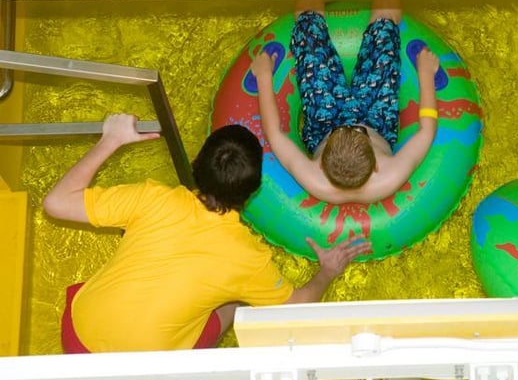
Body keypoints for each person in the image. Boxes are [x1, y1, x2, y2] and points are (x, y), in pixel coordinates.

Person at [43, 113, 371, 353]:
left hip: (77, 339)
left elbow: (56, 203)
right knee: (238, 303)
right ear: (254, 190)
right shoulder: (247, 256)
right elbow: (295, 308)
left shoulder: (152, 198)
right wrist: (328, 270)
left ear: (197, 162)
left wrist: (110, 140)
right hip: (147, 372)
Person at [251, 0, 440, 204]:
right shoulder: (390, 175)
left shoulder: (313, 178)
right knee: (385, 28)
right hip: (377, 121)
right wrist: (426, 73)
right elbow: (427, 130)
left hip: (325, 124)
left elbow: (274, 133)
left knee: (308, 28)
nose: (350, 125)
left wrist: (264, 76)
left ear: (320, 165)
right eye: (357, 131)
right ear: (378, 165)